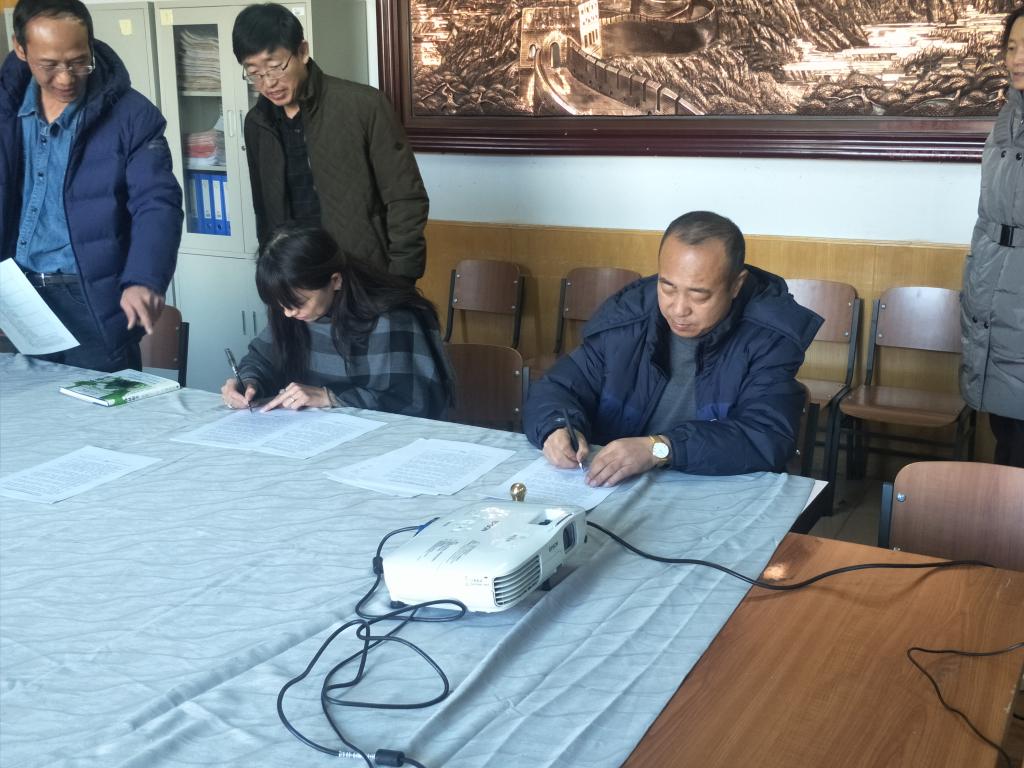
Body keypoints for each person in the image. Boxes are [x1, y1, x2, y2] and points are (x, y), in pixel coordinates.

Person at [523, 211, 822, 487]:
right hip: (617, 488)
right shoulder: (626, 322)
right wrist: (555, 426)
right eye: (667, 287)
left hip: (713, 489)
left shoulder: (768, 339)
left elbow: (766, 435)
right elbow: (557, 387)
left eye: (699, 295)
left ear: (736, 285)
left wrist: (659, 448)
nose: (679, 309)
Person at [0, 0, 182, 372]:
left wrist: (144, 278)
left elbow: (157, 202)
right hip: (16, 298)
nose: (66, 79)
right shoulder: (5, 110)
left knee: (105, 407)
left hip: (92, 298)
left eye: (79, 62)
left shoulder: (132, 116)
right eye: (49, 65)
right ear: (21, 48)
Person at [231, 3, 428, 282]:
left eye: (275, 67)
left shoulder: (364, 105)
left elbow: (405, 197)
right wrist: (270, 271)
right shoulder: (257, 123)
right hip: (295, 275)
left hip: (364, 272)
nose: (268, 83)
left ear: (302, 51)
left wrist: (402, 278)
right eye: (254, 73)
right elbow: (262, 208)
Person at [221, 225, 454, 419]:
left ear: (335, 281)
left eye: (298, 302)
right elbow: (261, 360)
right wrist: (248, 382)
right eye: (280, 304)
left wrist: (329, 397)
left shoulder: (390, 319)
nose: (288, 313)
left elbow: (412, 402)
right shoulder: (292, 311)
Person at [961, 6, 1024, 468]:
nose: (1017, 58)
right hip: (994, 291)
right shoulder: (1009, 116)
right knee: (1008, 431)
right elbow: (991, 215)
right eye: (1012, 47)